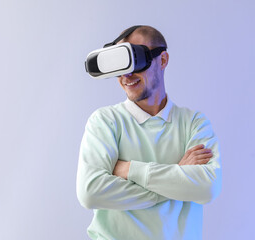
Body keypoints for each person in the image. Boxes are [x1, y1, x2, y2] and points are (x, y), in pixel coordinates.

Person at [76, 25, 222, 240]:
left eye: (137, 61)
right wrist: (176, 175)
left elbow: (207, 188)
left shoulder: (193, 123)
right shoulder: (105, 122)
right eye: (120, 65)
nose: (127, 74)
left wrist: (130, 170)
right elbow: (90, 192)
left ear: (162, 60)